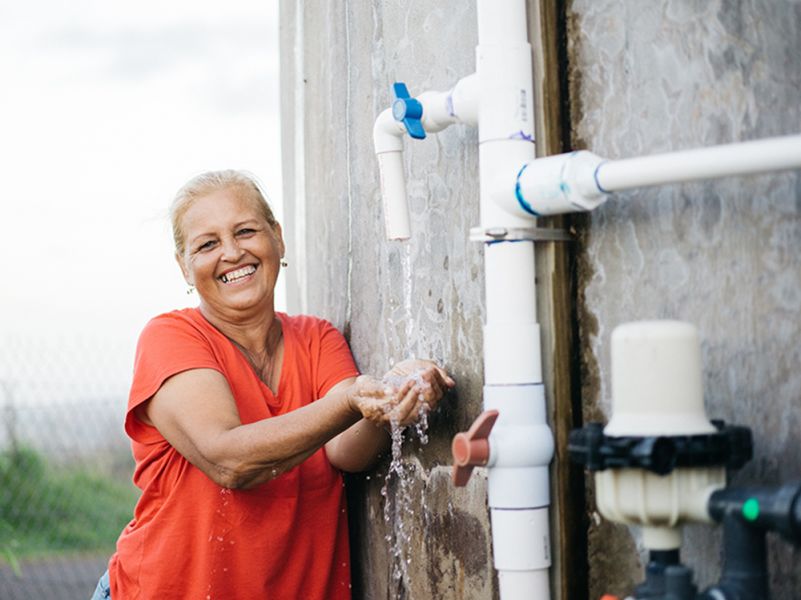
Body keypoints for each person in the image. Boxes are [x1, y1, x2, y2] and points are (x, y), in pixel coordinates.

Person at [91, 170, 454, 599]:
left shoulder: (317, 337)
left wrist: (392, 395)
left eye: (245, 231)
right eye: (207, 244)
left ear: (277, 239)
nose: (231, 252)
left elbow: (347, 450)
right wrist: (355, 400)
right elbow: (229, 461)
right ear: (185, 266)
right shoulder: (170, 338)